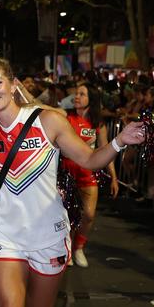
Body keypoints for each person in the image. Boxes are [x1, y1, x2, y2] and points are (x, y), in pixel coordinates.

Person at [0, 58, 145, 307]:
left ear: (13, 85)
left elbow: (90, 159)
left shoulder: (49, 121)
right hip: (5, 234)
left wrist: (120, 140)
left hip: (48, 235)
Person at [60, 83, 119, 268]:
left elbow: (106, 150)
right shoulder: (64, 116)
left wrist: (114, 177)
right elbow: (41, 106)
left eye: (81, 94)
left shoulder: (98, 123)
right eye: (76, 93)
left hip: (87, 174)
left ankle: (79, 247)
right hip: (65, 173)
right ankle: (67, 248)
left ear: (90, 99)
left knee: (89, 214)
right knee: (67, 214)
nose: (76, 96)